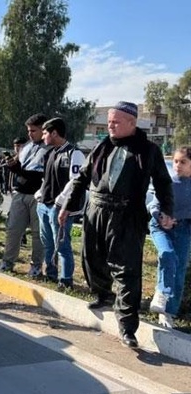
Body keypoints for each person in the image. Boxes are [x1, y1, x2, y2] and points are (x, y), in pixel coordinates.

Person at [59, 101, 173, 349]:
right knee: (92, 258)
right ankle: (103, 295)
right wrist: (68, 205)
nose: (109, 125)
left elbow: (164, 184)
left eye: (115, 121)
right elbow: (82, 178)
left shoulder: (148, 150)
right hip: (96, 210)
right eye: (109, 121)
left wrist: (166, 210)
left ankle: (127, 326)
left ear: (132, 123)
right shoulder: (102, 146)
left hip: (127, 214)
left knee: (126, 269)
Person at [34, 118, 85, 289]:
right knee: (47, 242)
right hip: (44, 205)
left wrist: (61, 201)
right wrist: (40, 193)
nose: (43, 136)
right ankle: (51, 273)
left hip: (60, 208)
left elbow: (75, 181)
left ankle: (66, 279)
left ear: (55, 133)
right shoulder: (50, 152)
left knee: (62, 244)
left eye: (46, 132)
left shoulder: (74, 153)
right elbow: (46, 178)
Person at [0, 114, 48, 274]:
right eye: (28, 131)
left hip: (38, 195)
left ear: (43, 129)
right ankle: (7, 262)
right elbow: (20, 166)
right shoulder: (26, 146)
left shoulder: (50, 149)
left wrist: (19, 169)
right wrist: (13, 166)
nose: (30, 134)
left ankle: (36, 266)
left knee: (37, 233)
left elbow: (39, 173)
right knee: (13, 229)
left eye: (33, 130)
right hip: (20, 193)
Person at [147, 146, 191, 329]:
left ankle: (168, 313)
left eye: (183, 162)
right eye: (176, 161)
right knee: (167, 254)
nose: (178, 165)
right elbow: (153, 205)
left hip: (184, 229)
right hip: (161, 227)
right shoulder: (169, 182)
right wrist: (161, 217)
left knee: (179, 271)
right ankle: (161, 293)